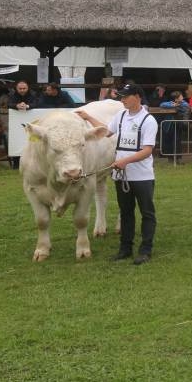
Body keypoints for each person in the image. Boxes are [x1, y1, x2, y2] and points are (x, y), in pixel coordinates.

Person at [78, 83, 158, 265]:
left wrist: (125, 161)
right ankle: (125, 248)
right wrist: (88, 116)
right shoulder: (121, 115)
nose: (122, 99)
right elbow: (107, 131)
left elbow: (147, 150)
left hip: (142, 176)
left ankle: (145, 250)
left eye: (125, 96)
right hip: (122, 176)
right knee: (126, 212)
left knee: (147, 213)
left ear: (137, 97)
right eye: (121, 96)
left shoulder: (148, 121)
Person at [158, 90, 190, 161]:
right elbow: (162, 104)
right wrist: (172, 105)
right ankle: (170, 158)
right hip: (169, 125)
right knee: (169, 141)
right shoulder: (172, 103)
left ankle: (178, 158)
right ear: (176, 99)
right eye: (180, 96)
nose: (182, 97)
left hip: (178, 124)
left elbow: (185, 105)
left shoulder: (184, 104)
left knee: (177, 141)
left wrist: (177, 105)